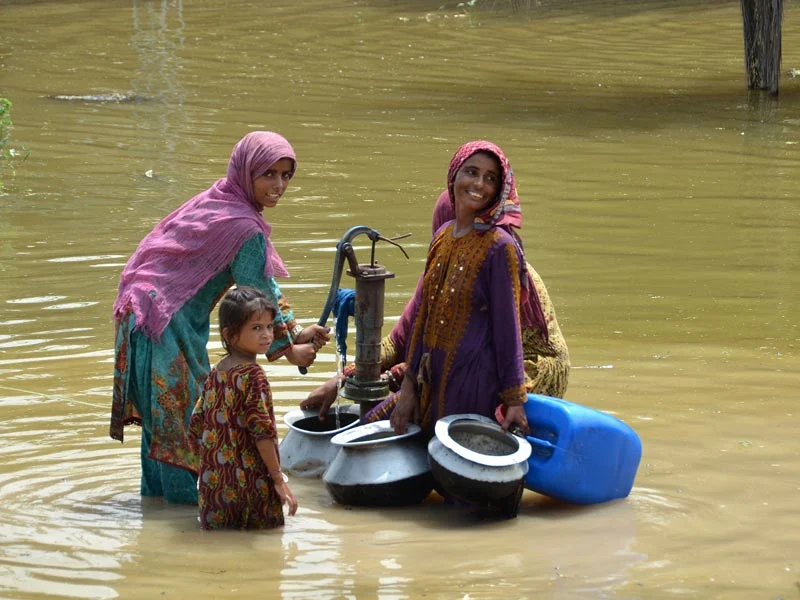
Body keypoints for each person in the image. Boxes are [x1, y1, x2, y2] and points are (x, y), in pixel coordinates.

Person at [110, 131, 329, 504]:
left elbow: (263, 286)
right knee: (182, 434)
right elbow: (259, 292)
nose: (278, 185)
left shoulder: (217, 199)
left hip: (138, 319)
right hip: (165, 326)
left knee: (161, 431)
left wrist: (293, 332)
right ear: (247, 172)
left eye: (286, 175)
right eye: (269, 174)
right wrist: (290, 351)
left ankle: (155, 525)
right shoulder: (243, 227)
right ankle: (184, 529)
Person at [302, 150, 569, 421]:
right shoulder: (443, 245)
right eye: (471, 173)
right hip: (455, 370)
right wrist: (348, 380)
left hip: (519, 372)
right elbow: (410, 334)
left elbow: (504, 336)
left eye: (489, 178)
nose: (477, 185)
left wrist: (513, 400)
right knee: (373, 421)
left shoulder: (499, 253)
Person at [188, 286, 297, 530]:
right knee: (266, 553)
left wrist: (212, 467)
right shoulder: (253, 375)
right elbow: (262, 433)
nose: (267, 335)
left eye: (269, 326)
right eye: (256, 328)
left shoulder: (217, 372)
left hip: (214, 488)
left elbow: (195, 425)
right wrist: (278, 479)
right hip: (252, 487)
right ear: (230, 335)